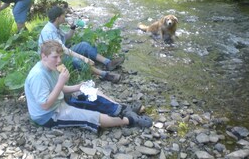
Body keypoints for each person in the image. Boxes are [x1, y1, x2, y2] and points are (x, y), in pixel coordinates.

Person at [24, 40, 153, 132]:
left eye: (60, 57)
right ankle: (129, 120)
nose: (59, 61)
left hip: (59, 101)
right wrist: (61, 82)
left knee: (89, 91)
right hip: (48, 115)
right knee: (90, 116)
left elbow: (59, 89)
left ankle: (122, 108)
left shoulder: (51, 67)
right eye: (55, 57)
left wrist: (79, 86)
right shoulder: (38, 76)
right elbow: (45, 104)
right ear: (43, 57)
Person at [38, 6, 124, 83]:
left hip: (60, 53)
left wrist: (72, 27)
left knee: (83, 45)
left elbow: (66, 38)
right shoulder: (49, 31)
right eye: (63, 15)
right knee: (76, 60)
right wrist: (84, 58)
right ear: (58, 18)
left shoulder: (55, 26)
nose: (65, 17)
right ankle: (104, 75)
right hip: (54, 59)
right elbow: (64, 50)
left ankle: (108, 63)